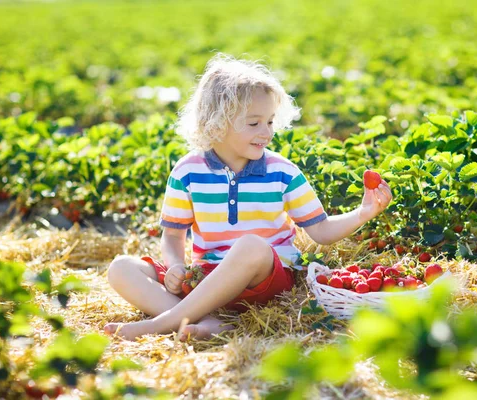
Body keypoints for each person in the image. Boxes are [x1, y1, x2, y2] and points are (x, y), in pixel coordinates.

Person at [103, 53, 392, 341]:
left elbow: (322, 231)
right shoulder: (187, 171)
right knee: (121, 269)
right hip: (205, 278)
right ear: (216, 123)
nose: (266, 133)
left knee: (251, 246)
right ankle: (210, 320)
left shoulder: (282, 172)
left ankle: (162, 323)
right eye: (254, 124)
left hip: (265, 280)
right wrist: (176, 266)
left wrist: (363, 212)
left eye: (269, 122)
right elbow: (173, 236)